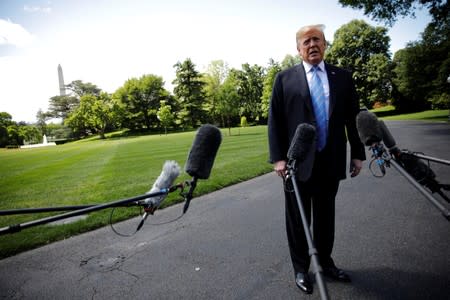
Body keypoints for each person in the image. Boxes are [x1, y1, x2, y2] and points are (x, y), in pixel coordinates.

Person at [268, 24, 366, 294]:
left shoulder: (343, 77)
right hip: (297, 162)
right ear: (298, 48)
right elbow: (274, 121)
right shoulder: (284, 79)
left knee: (326, 218)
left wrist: (357, 154)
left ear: (325, 44)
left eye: (317, 40)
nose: (312, 45)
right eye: (307, 41)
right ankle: (301, 268)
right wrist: (278, 159)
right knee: (298, 219)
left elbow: (353, 119)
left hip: (330, 160)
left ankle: (325, 263)